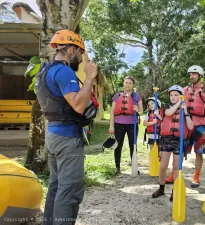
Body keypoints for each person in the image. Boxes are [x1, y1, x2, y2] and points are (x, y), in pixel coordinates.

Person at [36, 29, 98, 225]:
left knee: (56, 186)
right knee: (70, 189)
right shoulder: (64, 71)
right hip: (67, 139)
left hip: (53, 135)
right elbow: (78, 105)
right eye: (80, 53)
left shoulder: (45, 70)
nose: (80, 59)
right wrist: (89, 77)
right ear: (71, 50)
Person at [165, 65, 205, 188]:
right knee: (180, 150)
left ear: (200, 75)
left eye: (194, 74)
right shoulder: (184, 90)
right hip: (185, 125)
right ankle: (173, 174)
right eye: (190, 74)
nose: (191, 76)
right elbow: (175, 102)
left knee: (199, 151)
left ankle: (196, 176)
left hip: (200, 126)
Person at [151, 85, 194, 201]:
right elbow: (169, 113)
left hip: (179, 141)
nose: (173, 97)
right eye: (171, 95)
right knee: (163, 166)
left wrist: (185, 112)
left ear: (180, 96)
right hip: (166, 140)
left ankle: (175, 191)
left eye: (176, 95)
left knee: (176, 167)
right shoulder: (165, 107)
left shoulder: (185, 108)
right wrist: (179, 102)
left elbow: (190, 126)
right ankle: (161, 188)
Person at [109, 76, 143, 175]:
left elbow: (141, 110)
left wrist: (138, 110)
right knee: (118, 146)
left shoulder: (137, 95)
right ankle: (117, 167)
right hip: (119, 123)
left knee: (133, 145)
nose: (127, 84)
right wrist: (111, 126)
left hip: (132, 124)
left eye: (130, 83)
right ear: (123, 83)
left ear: (133, 85)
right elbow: (112, 112)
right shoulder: (117, 96)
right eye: (126, 82)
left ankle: (134, 166)